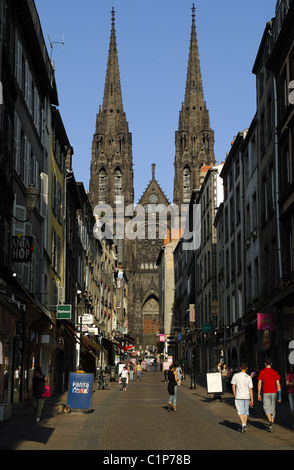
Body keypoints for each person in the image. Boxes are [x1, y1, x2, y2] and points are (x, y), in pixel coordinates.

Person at [258, 358, 281, 432]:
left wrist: (258, 393)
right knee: (272, 408)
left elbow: (259, 383)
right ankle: (271, 424)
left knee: (266, 408)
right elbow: (278, 384)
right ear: (271, 364)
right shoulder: (275, 372)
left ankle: (270, 422)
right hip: (274, 392)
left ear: (265, 364)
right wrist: (279, 396)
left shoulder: (262, 372)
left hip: (266, 392)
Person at [231, 363, 253, 433]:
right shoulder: (248, 377)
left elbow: (233, 386)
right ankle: (244, 424)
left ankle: (243, 424)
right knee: (246, 411)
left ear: (240, 368)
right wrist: (252, 399)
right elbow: (250, 389)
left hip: (239, 396)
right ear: (246, 368)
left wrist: (234, 394)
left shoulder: (235, 376)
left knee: (240, 411)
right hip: (247, 396)